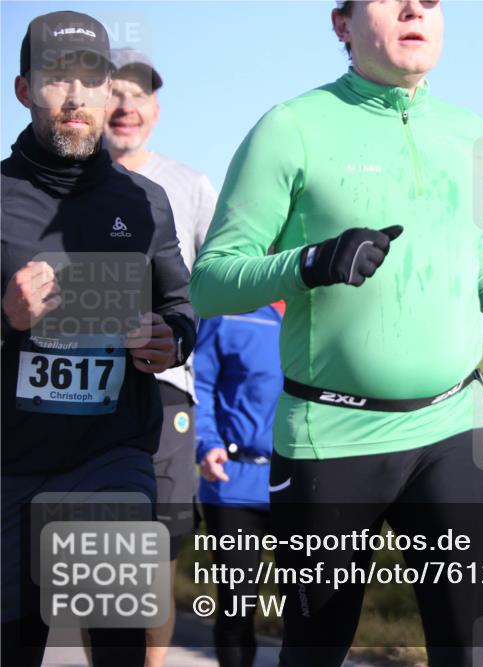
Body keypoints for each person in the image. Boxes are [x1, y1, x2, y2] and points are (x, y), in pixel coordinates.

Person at [189, 1, 483, 665]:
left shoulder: (472, 133)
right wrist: (311, 261)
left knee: (468, 648)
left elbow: (463, 254)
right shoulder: (291, 127)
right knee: (316, 650)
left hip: (454, 426)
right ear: (342, 24)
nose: (416, 7)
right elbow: (213, 281)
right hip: (330, 437)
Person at [1, 10, 196, 666]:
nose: (77, 97)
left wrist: (170, 338)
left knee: (115, 636)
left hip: (109, 455)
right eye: (58, 78)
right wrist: (8, 315)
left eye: (92, 77)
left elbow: (180, 305)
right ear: (25, 90)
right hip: (9, 462)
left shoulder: (143, 200)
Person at [103, 46, 218, 667]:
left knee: (154, 556)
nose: (126, 107)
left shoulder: (190, 185)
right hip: (85, 391)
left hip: (168, 389)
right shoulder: (71, 182)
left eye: (139, 95)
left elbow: (215, 286)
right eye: (114, 93)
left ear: (156, 109)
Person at [194, 302, 284, 667]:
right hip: (233, 484)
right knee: (237, 606)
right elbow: (199, 383)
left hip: (302, 485)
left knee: (308, 608)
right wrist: (207, 442)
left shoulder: (319, 312)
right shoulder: (228, 313)